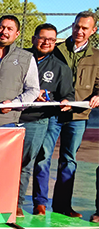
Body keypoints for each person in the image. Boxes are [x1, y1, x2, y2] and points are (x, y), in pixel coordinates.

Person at [34, 11, 99, 218]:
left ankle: (63, 205)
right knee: (43, 156)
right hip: (52, 113)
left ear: (93, 30)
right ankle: (40, 203)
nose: (79, 31)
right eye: (77, 26)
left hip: (78, 116)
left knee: (69, 159)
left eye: (85, 28)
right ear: (72, 26)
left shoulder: (97, 56)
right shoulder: (56, 49)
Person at [17, 23, 74, 216]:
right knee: (14, 161)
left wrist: (64, 101)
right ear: (34, 39)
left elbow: (68, 95)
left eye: (51, 39)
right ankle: (10, 200)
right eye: (42, 38)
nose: (46, 42)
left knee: (40, 158)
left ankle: (38, 203)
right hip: (14, 115)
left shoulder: (60, 68)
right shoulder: (20, 58)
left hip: (42, 118)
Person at [0, 15, 39, 127]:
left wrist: (14, 104)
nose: (4, 32)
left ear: (17, 34)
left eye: (10, 29)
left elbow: (33, 90)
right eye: (1, 27)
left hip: (8, 123)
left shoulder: (27, 58)